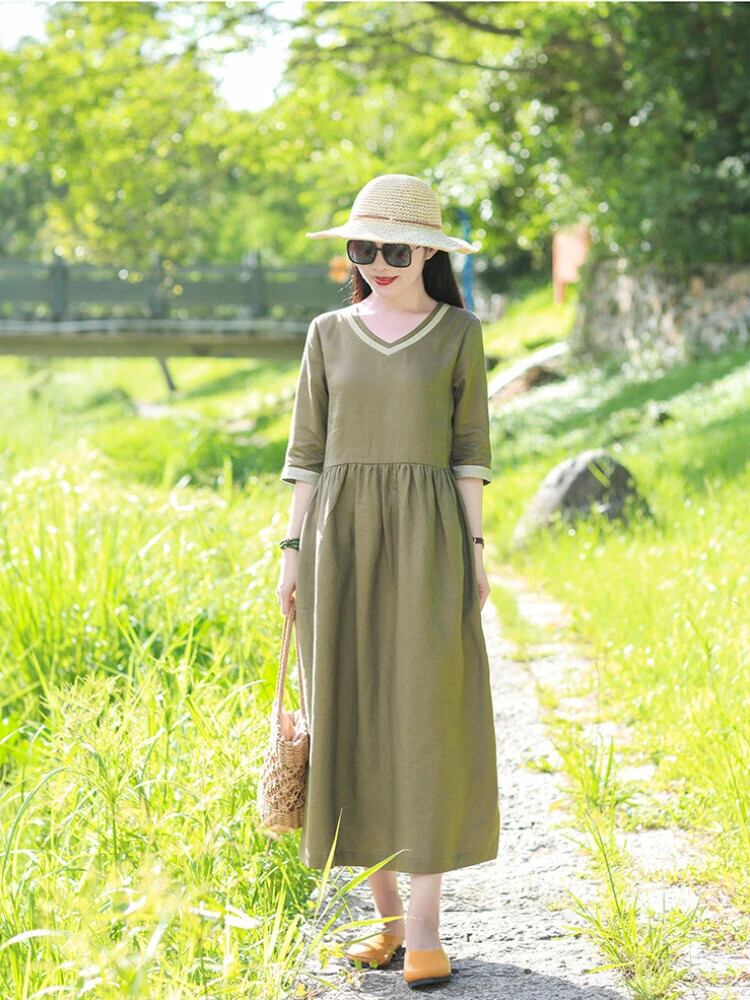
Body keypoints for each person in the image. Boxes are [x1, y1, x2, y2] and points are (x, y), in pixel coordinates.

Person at [276, 173, 500, 988]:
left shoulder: (458, 333)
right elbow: (306, 453)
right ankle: (389, 925)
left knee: (426, 717)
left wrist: (475, 550)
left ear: (429, 254)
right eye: (363, 248)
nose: (376, 263)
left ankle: (430, 928)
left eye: (394, 250)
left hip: (429, 538)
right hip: (338, 543)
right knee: (349, 716)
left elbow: (469, 449)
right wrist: (291, 552)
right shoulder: (327, 334)